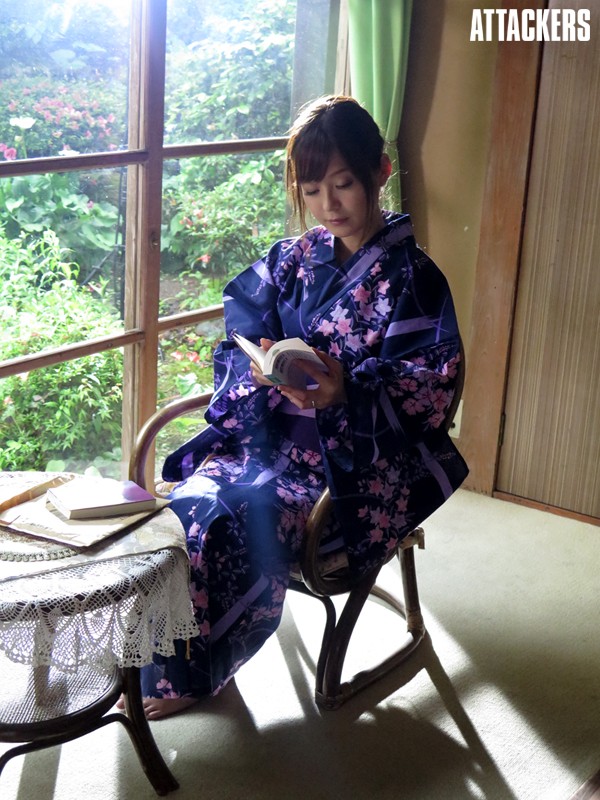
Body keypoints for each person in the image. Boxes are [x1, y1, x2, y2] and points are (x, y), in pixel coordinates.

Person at [137, 95, 468, 719]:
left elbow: (429, 389)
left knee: (237, 516)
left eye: (342, 184)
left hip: (347, 471)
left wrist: (348, 391)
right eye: (312, 190)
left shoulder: (414, 279)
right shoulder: (291, 260)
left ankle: (201, 668)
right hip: (268, 445)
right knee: (187, 507)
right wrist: (258, 365)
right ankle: (178, 661)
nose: (328, 205)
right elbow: (240, 332)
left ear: (380, 171)